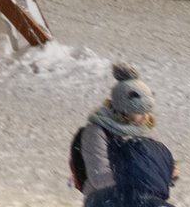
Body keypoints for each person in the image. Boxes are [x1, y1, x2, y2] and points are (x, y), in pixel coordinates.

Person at [70, 64, 176, 207]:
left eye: (148, 111)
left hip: (136, 198)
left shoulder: (142, 133)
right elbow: (98, 176)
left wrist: (167, 172)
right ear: (123, 110)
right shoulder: (96, 132)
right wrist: (138, 184)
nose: (146, 117)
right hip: (103, 199)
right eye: (140, 112)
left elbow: (146, 169)